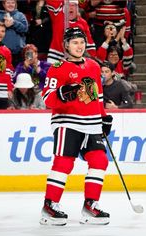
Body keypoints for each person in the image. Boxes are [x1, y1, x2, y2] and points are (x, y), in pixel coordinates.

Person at [40, 27, 113, 226]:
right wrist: (62, 94)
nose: (79, 46)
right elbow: (47, 99)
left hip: (91, 123)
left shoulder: (93, 66)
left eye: (81, 42)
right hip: (67, 122)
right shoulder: (57, 67)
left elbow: (97, 97)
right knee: (64, 163)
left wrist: (103, 118)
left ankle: (90, 206)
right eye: (74, 42)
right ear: (66, 46)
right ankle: (49, 206)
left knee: (100, 161)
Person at [0, 0, 29, 66]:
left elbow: (25, 29)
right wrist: (4, 25)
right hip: (0, 51)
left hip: (18, 53)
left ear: (15, 4)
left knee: (17, 74)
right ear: (4, 4)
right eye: (8, 3)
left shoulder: (20, 15)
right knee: (0, 72)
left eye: (13, 3)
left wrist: (13, 23)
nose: (10, 5)